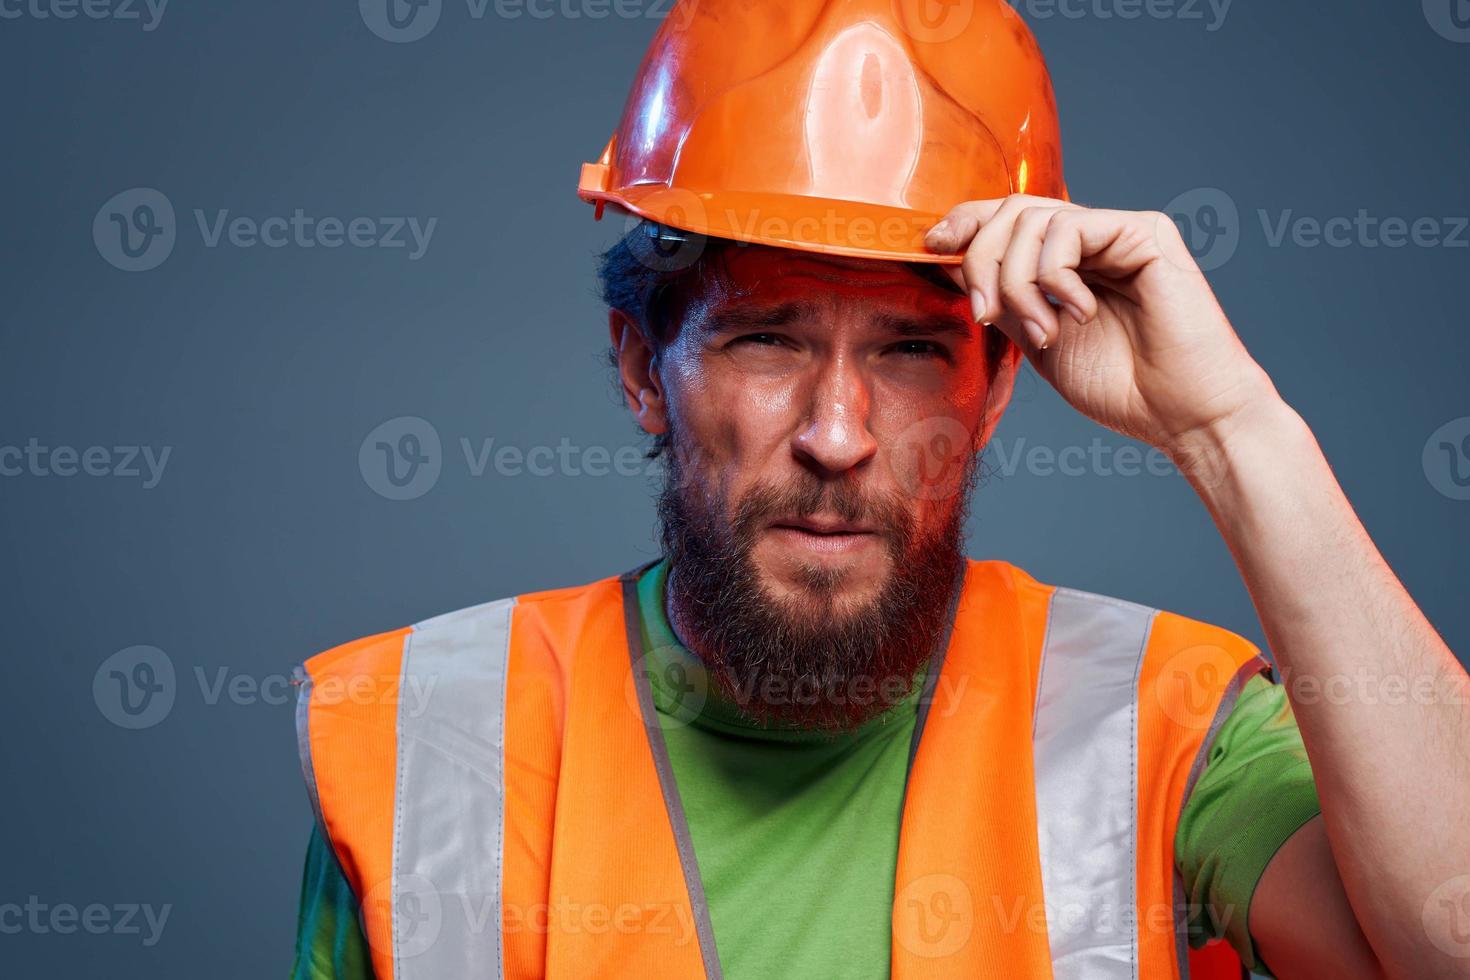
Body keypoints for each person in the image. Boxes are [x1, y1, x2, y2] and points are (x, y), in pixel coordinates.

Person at [290, 1, 1470, 978]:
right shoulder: (429, 742)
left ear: (994, 385)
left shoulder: (1164, 725)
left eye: (910, 350)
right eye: (767, 339)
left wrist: (1232, 429)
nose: (839, 434)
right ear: (645, 367)